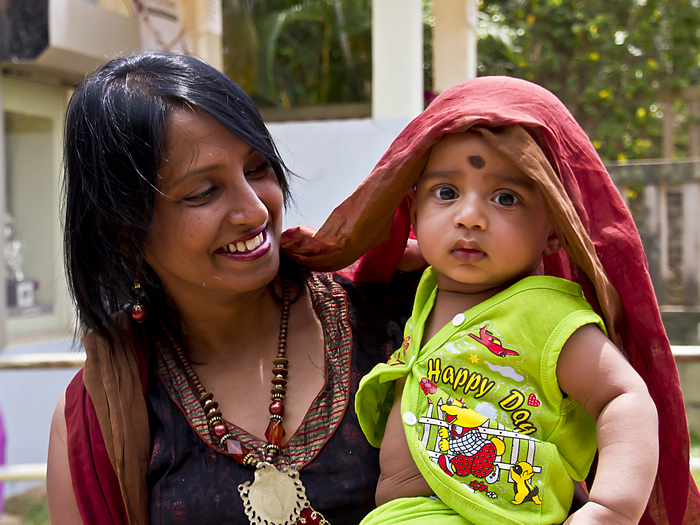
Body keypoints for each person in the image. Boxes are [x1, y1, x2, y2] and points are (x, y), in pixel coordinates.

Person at [281, 76, 700, 524]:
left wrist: (610, 507)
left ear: (555, 228)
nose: (470, 217)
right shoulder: (433, 282)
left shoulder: (547, 313)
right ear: (414, 206)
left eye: (506, 198)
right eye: (446, 193)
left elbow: (623, 397)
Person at [46, 51, 417, 525]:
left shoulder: (399, 318)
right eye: (203, 192)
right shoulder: (99, 420)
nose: (255, 211)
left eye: (258, 168)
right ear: (122, 230)